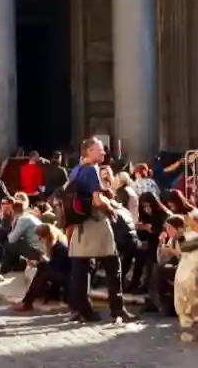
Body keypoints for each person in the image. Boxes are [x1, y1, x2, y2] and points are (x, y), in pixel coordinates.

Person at [64, 137, 126, 323]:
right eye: (99, 150)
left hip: (79, 224)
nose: (104, 153)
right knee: (113, 265)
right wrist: (111, 211)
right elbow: (97, 201)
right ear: (89, 152)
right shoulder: (92, 170)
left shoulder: (75, 170)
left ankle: (80, 310)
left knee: (81, 268)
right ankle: (118, 310)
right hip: (95, 222)